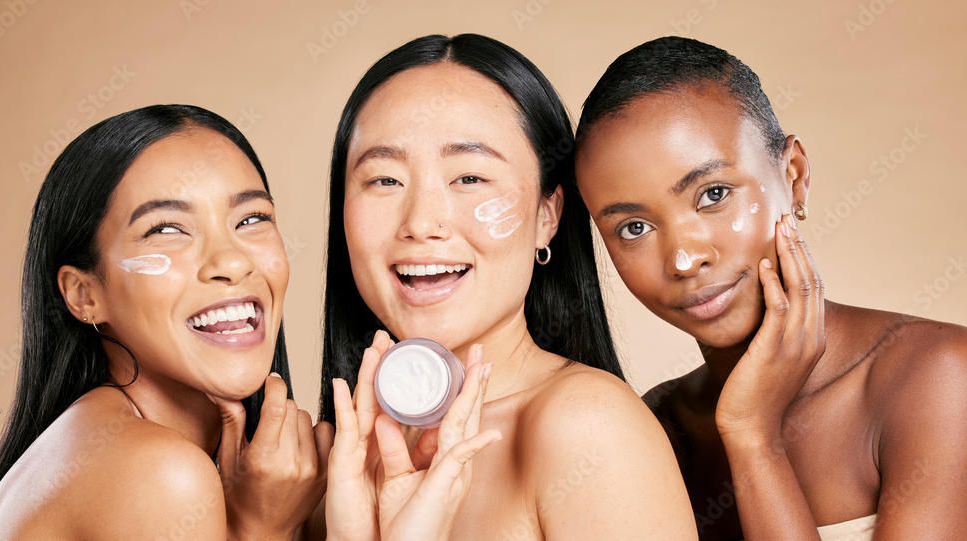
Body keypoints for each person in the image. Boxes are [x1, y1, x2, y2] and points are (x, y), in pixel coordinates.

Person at [574, 36, 967, 540]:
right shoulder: (655, 432)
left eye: (713, 195)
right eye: (633, 228)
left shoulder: (937, 378)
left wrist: (753, 437)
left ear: (795, 176)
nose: (683, 258)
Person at [318, 34, 696, 540]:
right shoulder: (335, 458)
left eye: (470, 177)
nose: (421, 222)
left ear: (547, 216)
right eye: (384, 180)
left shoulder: (588, 427)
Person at [0, 105, 333, 540]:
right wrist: (262, 528)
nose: (232, 261)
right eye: (167, 229)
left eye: (251, 219)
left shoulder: (96, 441)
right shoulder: (159, 473)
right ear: (84, 294)